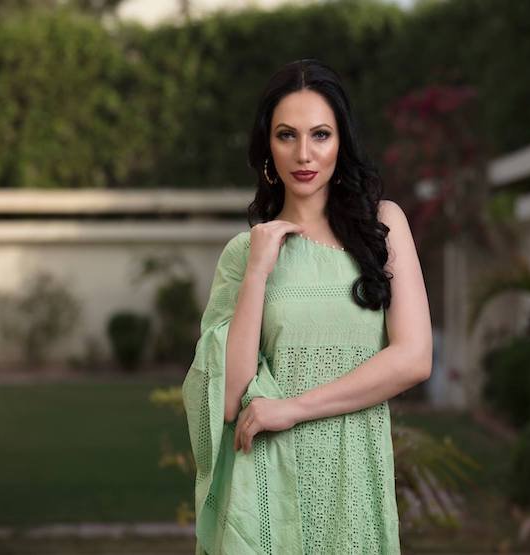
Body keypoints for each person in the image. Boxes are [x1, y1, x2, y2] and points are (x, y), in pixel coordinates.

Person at [181, 58, 432, 555]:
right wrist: (258, 272)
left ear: (342, 142)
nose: (304, 153)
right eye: (286, 135)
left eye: (320, 135)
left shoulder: (382, 227)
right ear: (267, 148)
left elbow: (414, 358)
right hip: (271, 490)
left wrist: (292, 409)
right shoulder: (245, 254)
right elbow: (228, 399)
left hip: (354, 481)